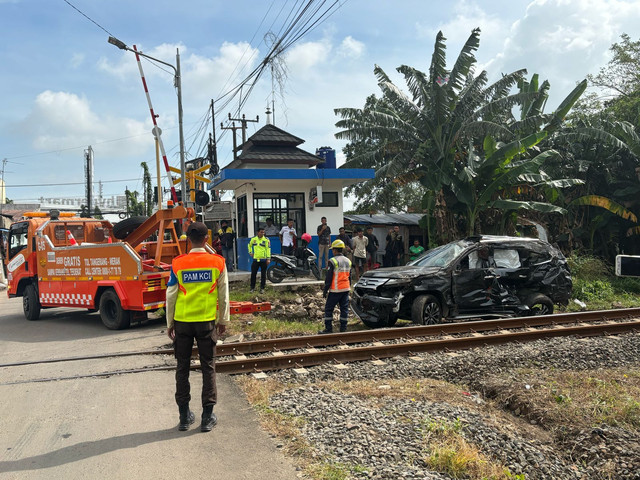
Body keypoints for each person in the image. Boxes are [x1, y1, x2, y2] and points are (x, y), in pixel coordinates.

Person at [165, 222, 229, 432]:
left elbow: (171, 295)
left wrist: (170, 323)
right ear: (206, 239)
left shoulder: (178, 263)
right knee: (208, 367)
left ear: (187, 240)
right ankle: (207, 417)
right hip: (206, 322)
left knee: (182, 368)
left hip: (182, 323)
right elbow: (224, 295)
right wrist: (223, 321)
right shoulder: (217, 262)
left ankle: (184, 417)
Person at [319, 239, 352, 334]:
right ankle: (343, 329)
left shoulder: (333, 261)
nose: (332, 251)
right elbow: (350, 276)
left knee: (329, 309)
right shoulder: (348, 261)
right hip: (345, 289)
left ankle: (328, 329)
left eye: (332, 249)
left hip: (335, 290)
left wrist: (325, 290)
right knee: (344, 309)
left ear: (335, 250)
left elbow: (329, 278)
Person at [248, 227, 271, 294]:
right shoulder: (253, 239)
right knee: (253, 274)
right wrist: (250, 252)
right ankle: (252, 288)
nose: (262, 233)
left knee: (263, 274)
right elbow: (249, 245)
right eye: (261, 232)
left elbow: (268, 249)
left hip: (263, 260)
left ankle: (262, 288)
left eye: (263, 232)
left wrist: (268, 258)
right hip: (255, 260)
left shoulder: (266, 240)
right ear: (258, 232)